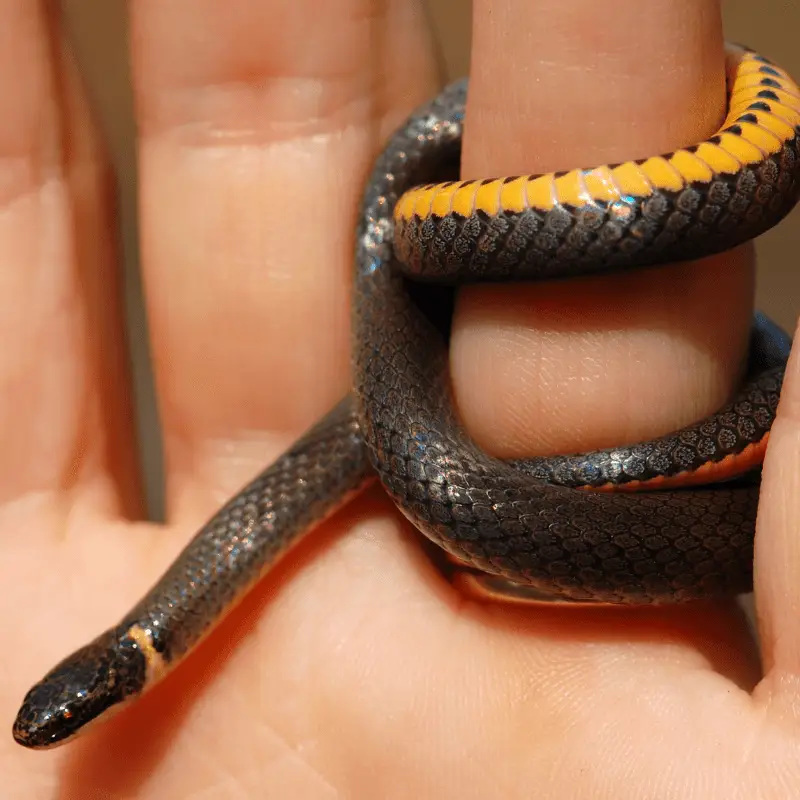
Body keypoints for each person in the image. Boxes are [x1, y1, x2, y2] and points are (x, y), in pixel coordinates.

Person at [3, 0, 799, 796]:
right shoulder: (416, 443)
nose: (53, 732)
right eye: (65, 721)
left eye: (64, 720)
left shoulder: (411, 407)